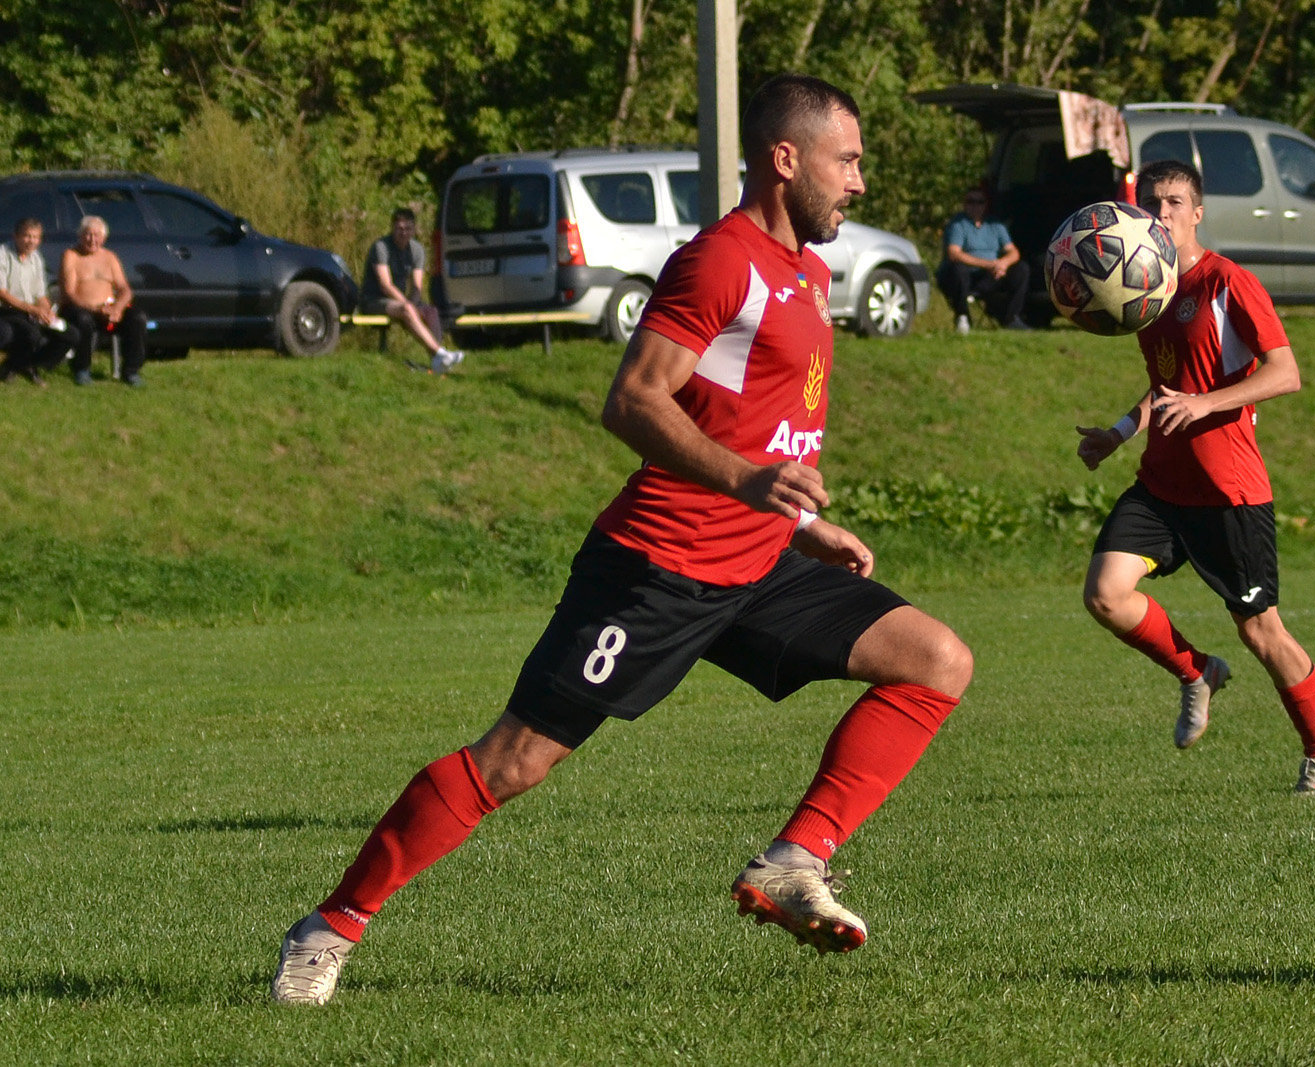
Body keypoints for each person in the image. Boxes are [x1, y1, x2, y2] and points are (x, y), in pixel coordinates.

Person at [271, 73, 974, 1006]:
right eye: (847, 160)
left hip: (758, 560)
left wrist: (796, 522)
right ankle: (329, 928)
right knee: (511, 762)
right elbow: (634, 399)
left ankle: (793, 860)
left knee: (935, 660)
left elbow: (757, 427)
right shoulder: (719, 260)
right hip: (657, 569)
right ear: (785, 158)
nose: (859, 182)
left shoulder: (805, 271)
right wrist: (751, 485)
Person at [1074, 159, 1315, 795]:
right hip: (1162, 485)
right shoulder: (1148, 286)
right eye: (1152, 202)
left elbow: (1285, 372)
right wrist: (1117, 433)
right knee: (1105, 594)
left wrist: (1206, 403)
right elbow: (1165, 386)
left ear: (1198, 212)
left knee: (1260, 630)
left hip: (1228, 490)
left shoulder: (1230, 282)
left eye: (1174, 201)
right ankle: (1197, 673)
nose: (1162, 211)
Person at [361, 207, 462, 374]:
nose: (403, 233)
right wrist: (408, 305)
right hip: (374, 300)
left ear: (414, 229)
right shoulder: (381, 247)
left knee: (431, 311)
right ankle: (439, 354)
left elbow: (417, 286)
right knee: (408, 309)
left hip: (399, 301)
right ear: (392, 228)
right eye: (399, 229)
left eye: (408, 229)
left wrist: (413, 303)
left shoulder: (417, 250)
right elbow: (385, 285)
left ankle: (437, 361)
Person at [60, 215, 146, 387]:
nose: (92, 239)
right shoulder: (71, 256)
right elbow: (69, 292)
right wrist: (93, 308)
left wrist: (117, 308)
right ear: (80, 236)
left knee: (138, 318)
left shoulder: (110, 257)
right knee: (83, 320)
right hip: (79, 308)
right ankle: (82, 369)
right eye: (88, 235)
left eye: (97, 235)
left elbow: (125, 289)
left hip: (109, 310)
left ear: (104, 238)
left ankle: (131, 371)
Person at [936, 186, 1031, 333]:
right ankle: (963, 316)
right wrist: (988, 265)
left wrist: (1002, 264)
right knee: (958, 270)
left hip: (991, 276)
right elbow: (954, 253)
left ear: (986, 205)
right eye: (970, 201)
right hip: (965, 276)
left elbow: (1013, 252)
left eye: (979, 202)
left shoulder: (995, 225)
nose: (975, 206)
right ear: (964, 204)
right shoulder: (958, 224)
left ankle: (1011, 318)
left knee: (1021, 269)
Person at [0, 217, 78, 385]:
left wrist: (46, 311)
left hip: (31, 312)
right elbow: (2, 293)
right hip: (8, 310)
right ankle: (15, 367)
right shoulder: (3, 254)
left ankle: (27, 364)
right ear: (16, 236)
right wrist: (32, 310)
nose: (31, 241)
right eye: (27, 236)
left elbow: (41, 294)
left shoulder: (36, 258)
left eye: (35, 237)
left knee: (70, 334)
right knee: (32, 334)